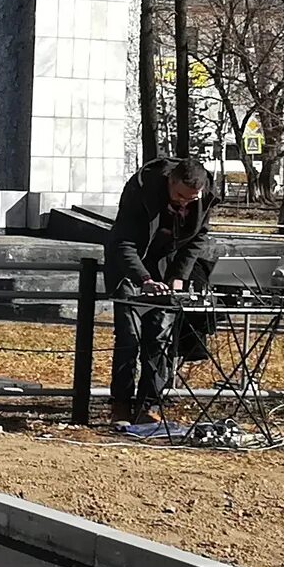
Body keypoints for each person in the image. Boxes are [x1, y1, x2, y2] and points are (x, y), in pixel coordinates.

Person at [108, 154, 214, 426]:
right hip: (130, 269)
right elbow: (123, 243)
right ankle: (120, 405)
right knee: (129, 339)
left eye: (192, 198)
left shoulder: (202, 196)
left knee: (161, 339)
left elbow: (197, 238)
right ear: (171, 181)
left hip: (167, 271)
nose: (185, 202)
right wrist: (143, 278)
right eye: (180, 195)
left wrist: (179, 277)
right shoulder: (141, 190)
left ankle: (149, 405)